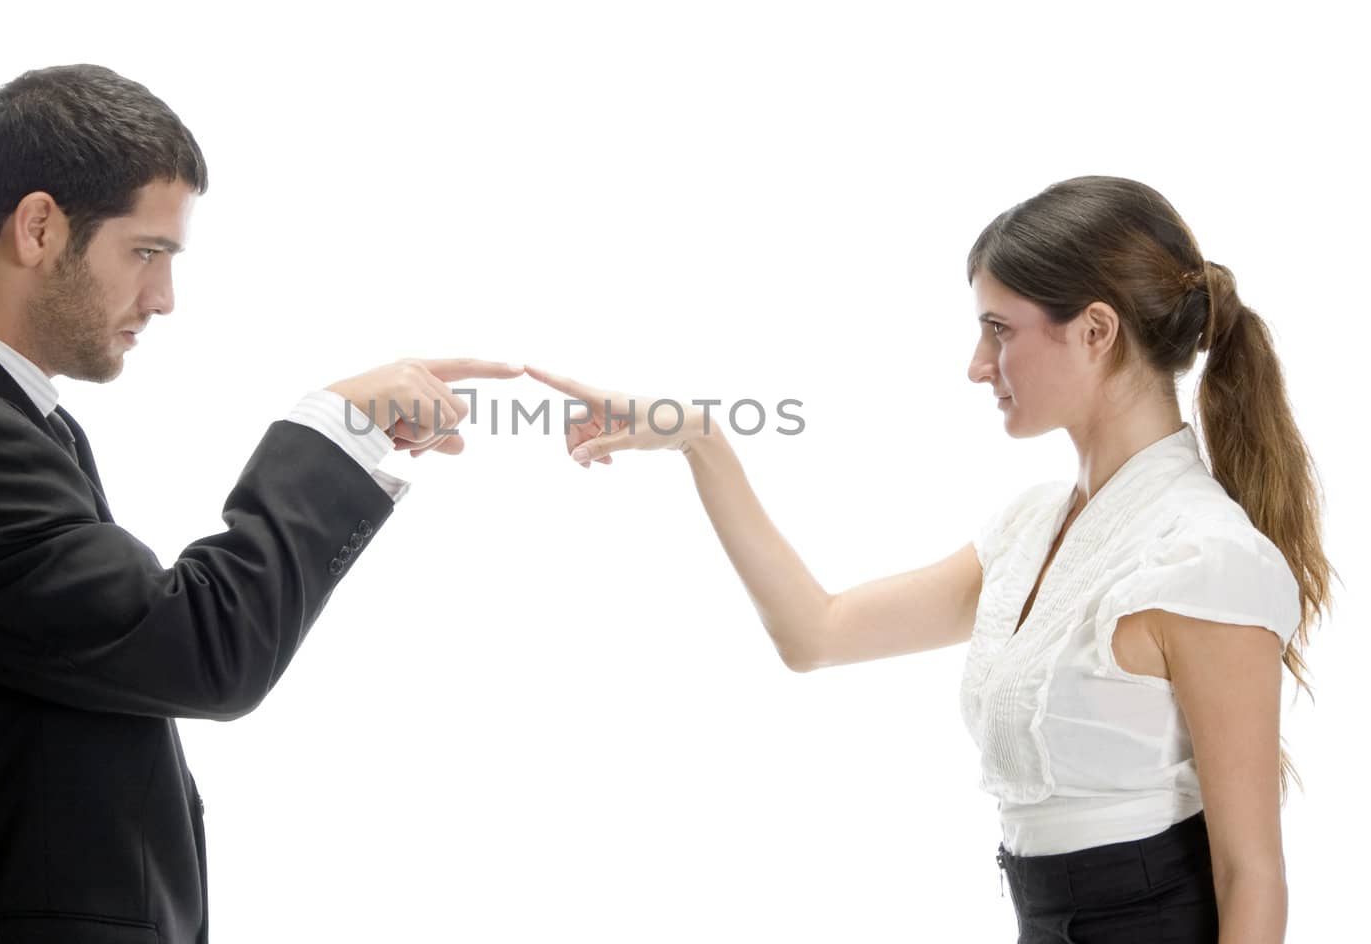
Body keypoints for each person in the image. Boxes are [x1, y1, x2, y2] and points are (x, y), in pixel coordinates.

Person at [0, 63, 522, 944]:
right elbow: (203, 649)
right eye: (146, 252)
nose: (163, 299)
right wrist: (334, 432)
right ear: (40, 227)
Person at [524, 176, 1334, 943]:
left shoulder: (1203, 555)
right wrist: (702, 441)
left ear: (1096, 331)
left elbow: (1251, 872)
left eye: (999, 329)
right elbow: (817, 633)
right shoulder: (1031, 529)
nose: (978, 365)